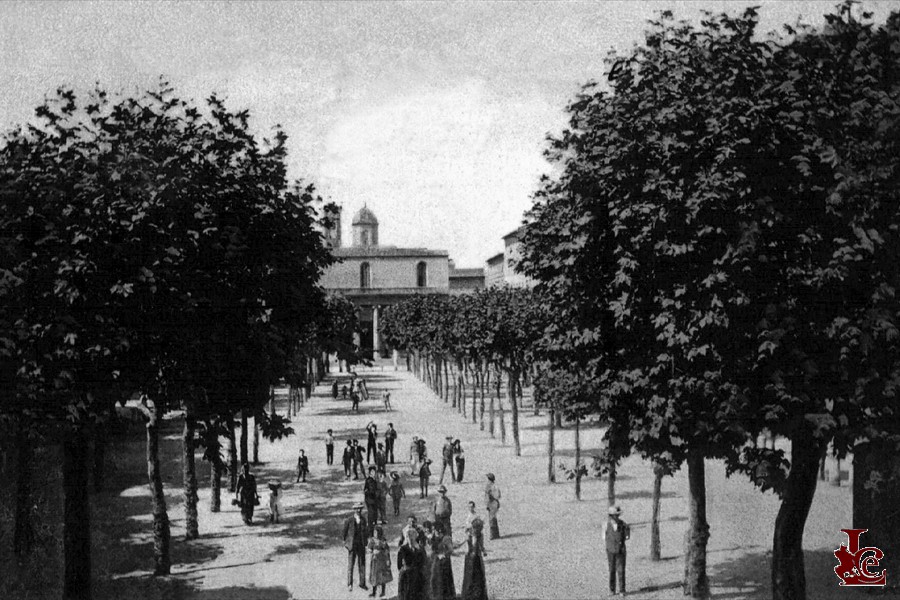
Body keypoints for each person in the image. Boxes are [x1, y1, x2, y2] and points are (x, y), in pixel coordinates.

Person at [604, 505, 630, 597]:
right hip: (610, 550)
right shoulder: (606, 525)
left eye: (617, 515)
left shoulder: (624, 525)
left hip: (621, 550)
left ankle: (622, 590)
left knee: (621, 570)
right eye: (614, 515)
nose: (616, 517)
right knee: (612, 570)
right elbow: (604, 537)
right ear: (611, 516)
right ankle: (612, 589)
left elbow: (627, 536)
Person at [342, 503, 369, 592]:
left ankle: (362, 583)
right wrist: (346, 543)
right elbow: (344, 532)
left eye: (360, 509)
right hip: (352, 546)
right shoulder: (349, 520)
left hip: (361, 545)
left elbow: (366, 532)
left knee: (362, 565)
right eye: (357, 509)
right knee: (351, 565)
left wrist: (365, 542)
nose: (358, 510)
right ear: (354, 510)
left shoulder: (363, 520)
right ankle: (350, 584)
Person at [460, 516, 488, 600]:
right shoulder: (473, 534)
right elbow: (475, 544)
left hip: (472, 557)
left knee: (472, 577)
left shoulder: (475, 534)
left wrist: (483, 551)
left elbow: (478, 545)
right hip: (473, 557)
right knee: (473, 577)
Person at [397, 523, 425, 600]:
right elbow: (399, 565)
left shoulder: (419, 548)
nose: (410, 538)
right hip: (407, 576)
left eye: (411, 536)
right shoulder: (402, 549)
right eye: (408, 536)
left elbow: (423, 561)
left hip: (417, 575)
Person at [429, 522, 456, 600]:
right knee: (435, 579)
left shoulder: (446, 538)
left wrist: (443, 554)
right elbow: (432, 549)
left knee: (444, 581)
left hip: (444, 563)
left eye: (434, 529)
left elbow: (451, 550)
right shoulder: (434, 538)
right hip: (436, 562)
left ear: (439, 529)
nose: (433, 531)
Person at [367, 525, 393, 597]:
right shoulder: (372, 540)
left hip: (382, 561)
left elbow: (387, 550)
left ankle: (383, 591)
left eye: (377, 532)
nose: (376, 534)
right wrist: (371, 551)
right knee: (374, 576)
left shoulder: (383, 541)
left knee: (382, 576)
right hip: (375, 561)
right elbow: (369, 548)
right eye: (374, 532)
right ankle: (374, 592)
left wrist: (388, 559)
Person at [484, 473, 501, 539]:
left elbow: (497, 495)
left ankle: (493, 535)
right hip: (492, 503)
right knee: (493, 519)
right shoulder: (491, 486)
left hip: (492, 503)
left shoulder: (492, 486)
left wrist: (491, 497)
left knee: (492, 519)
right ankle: (496, 534)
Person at [364, 466, 379, 535]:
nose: (374, 473)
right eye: (372, 472)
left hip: (373, 499)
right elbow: (370, 490)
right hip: (370, 499)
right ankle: (370, 530)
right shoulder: (370, 480)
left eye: (375, 472)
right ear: (370, 473)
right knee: (371, 514)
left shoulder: (372, 480)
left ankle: (373, 528)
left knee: (374, 513)